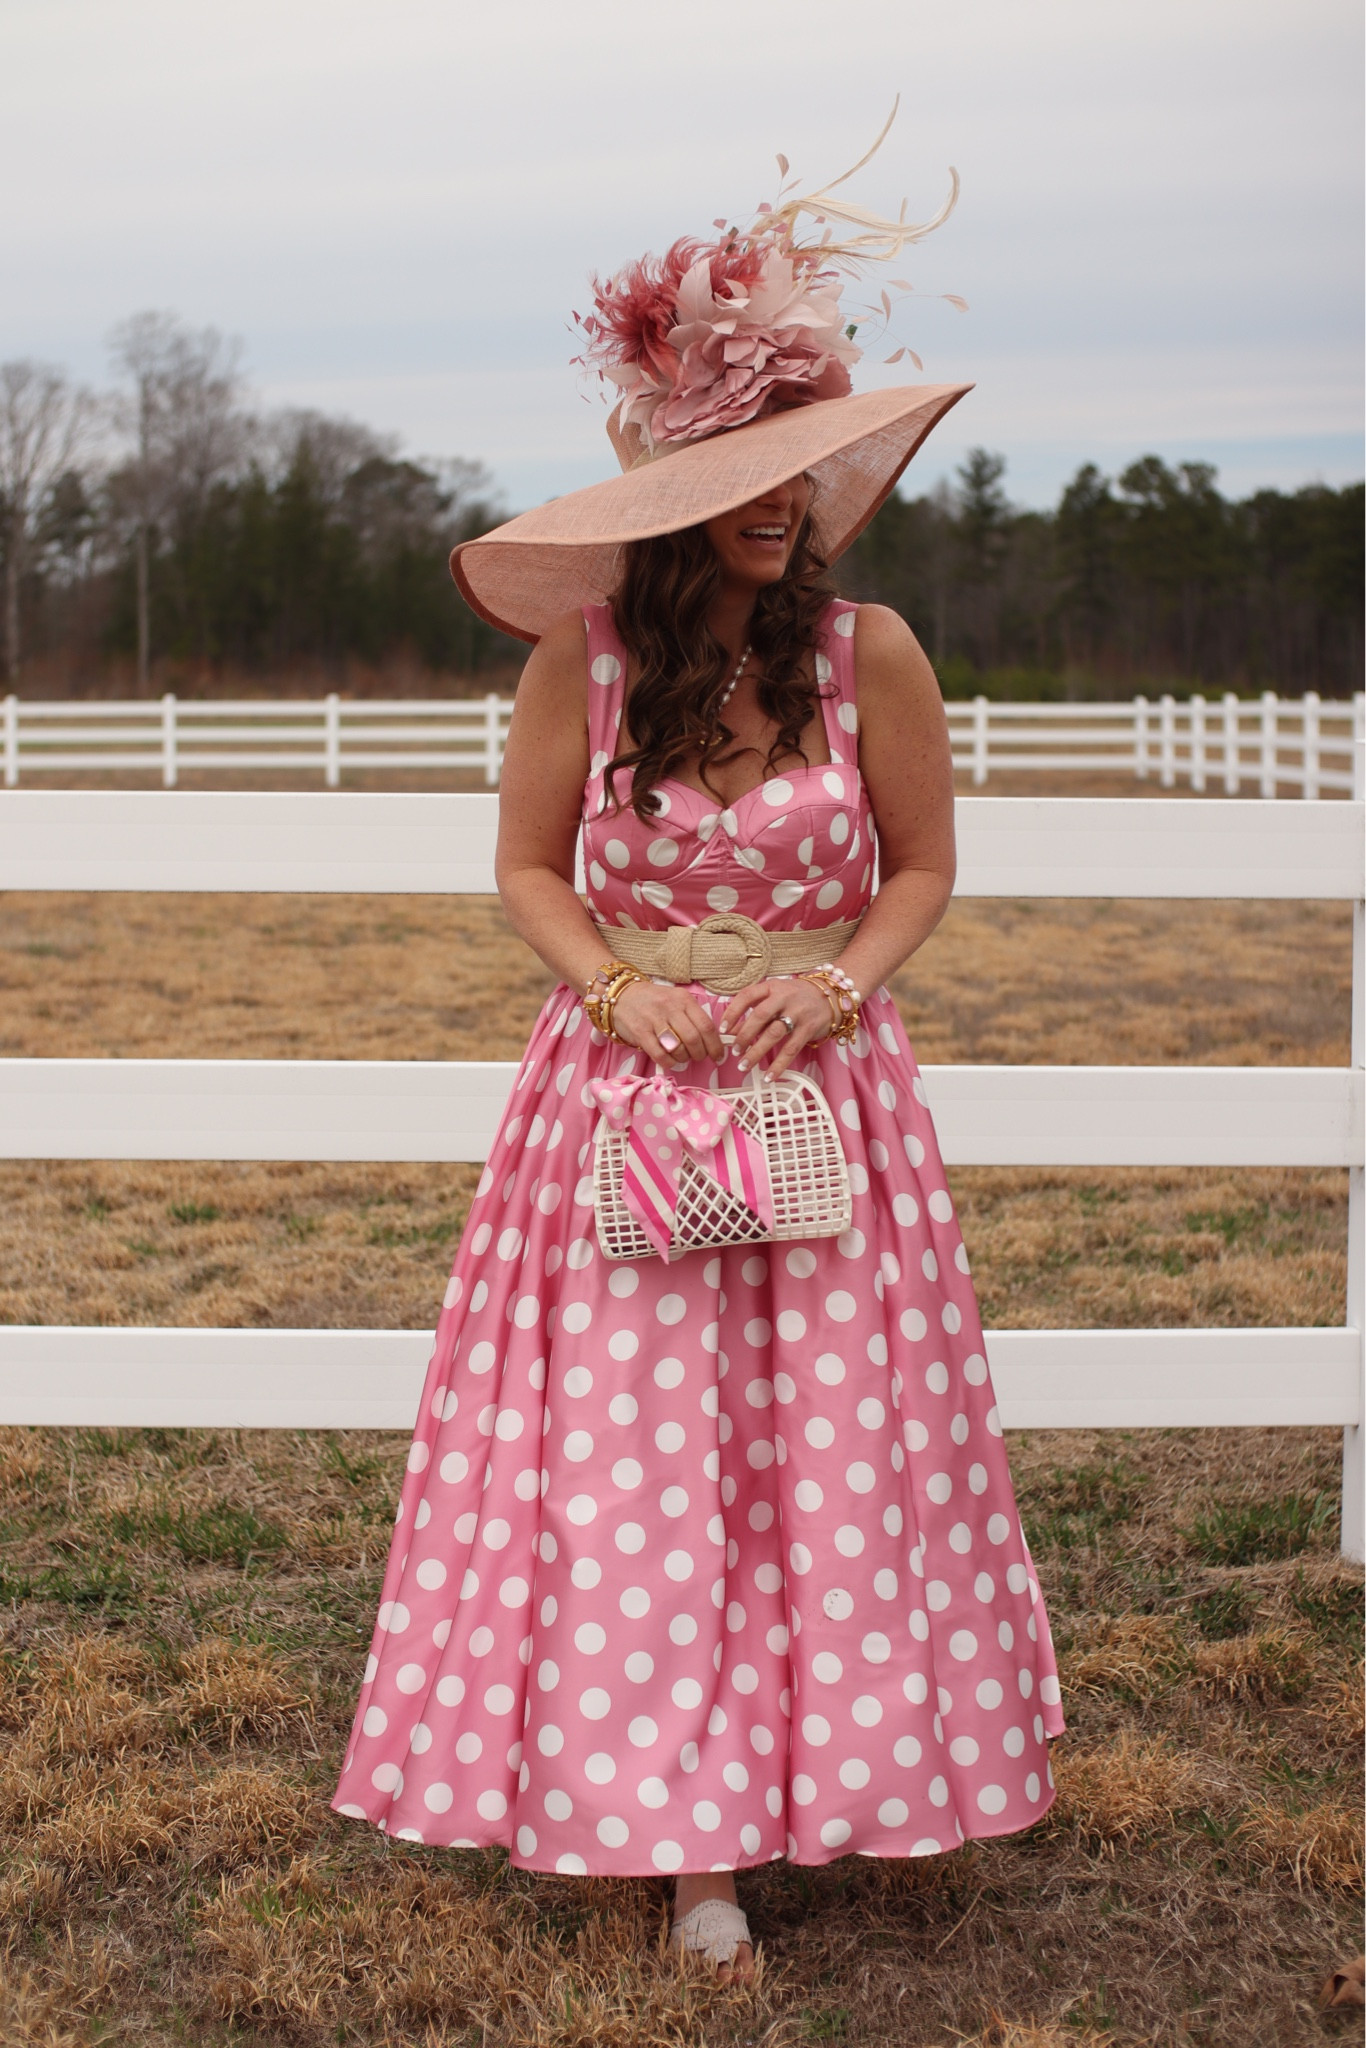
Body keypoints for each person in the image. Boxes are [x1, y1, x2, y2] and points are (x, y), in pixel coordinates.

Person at [332, 141, 1064, 1983]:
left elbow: (919, 871)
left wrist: (839, 989)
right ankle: (684, 1845)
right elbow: (521, 866)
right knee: (639, 1463)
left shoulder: (870, 650)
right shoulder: (579, 666)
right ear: (674, 494)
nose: (777, 511)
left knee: (822, 1454)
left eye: (795, 479)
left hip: (824, 1093)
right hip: (623, 1102)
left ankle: (837, 1777)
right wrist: (609, 989)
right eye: (740, 483)